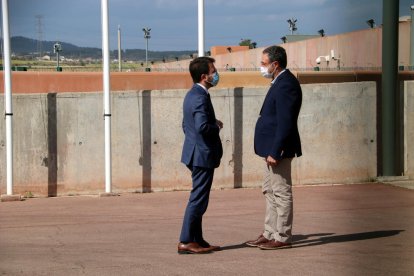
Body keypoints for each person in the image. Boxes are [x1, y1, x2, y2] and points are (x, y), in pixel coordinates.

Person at [246, 45, 302, 250]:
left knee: (281, 191)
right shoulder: (278, 81)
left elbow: (285, 122)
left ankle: (283, 236)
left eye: (263, 63)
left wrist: (276, 151)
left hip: (278, 150)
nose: (261, 67)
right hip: (270, 148)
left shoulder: (287, 84)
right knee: (269, 190)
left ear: (275, 64)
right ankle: (270, 232)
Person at [178, 56, 223, 254]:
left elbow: (185, 125)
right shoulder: (199, 96)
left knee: (200, 199)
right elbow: (202, 126)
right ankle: (186, 240)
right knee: (198, 199)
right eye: (213, 71)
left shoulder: (192, 94)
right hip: (201, 156)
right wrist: (216, 125)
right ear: (204, 76)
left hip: (196, 153)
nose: (216, 74)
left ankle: (197, 239)